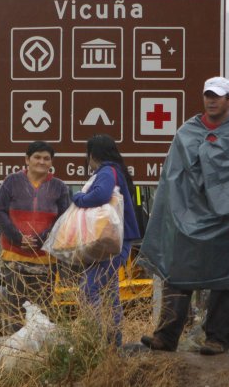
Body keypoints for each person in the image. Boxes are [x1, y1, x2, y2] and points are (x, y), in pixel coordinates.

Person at [138, 76, 229, 355]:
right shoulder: (186, 133)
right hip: (187, 219)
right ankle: (166, 336)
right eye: (208, 94)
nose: (211, 100)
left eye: (218, 96)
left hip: (226, 222)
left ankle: (218, 339)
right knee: (178, 270)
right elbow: (172, 179)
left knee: (224, 276)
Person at [70, 134, 142, 346]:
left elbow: (101, 195)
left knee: (88, 289)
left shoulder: (106, 172)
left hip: (113, 243)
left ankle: (96, 339)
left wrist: (78, 198)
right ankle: (113, 344)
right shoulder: (117, 170)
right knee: (111, 294)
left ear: (92, 154)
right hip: (116, 242)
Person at [0, 141, 71, 318]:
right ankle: (17, 345)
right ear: (27, 159)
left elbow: (64, 220)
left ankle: (39, 346)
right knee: (16, 311)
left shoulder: (59, 187)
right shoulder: (11, 182)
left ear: (51, 162)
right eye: (37, 157)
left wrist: (41, 239)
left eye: (46, 158)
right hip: (14, 258)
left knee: (42, 312)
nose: (41, 162)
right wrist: (18, 238)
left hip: (45, 260)